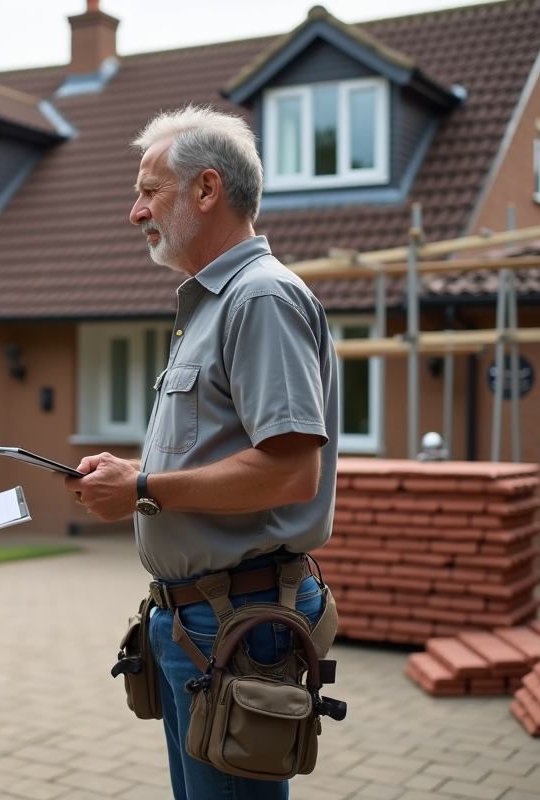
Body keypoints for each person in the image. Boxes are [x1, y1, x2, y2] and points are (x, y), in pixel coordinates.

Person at [66, 106, 338, 800]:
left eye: (149, 191)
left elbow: (291, 471)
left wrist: (145, 487)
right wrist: (136, 476)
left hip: (236, 622)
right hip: (201, 620)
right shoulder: (214, 304)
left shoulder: (260, 298)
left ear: (207, 189)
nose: (135, 212)